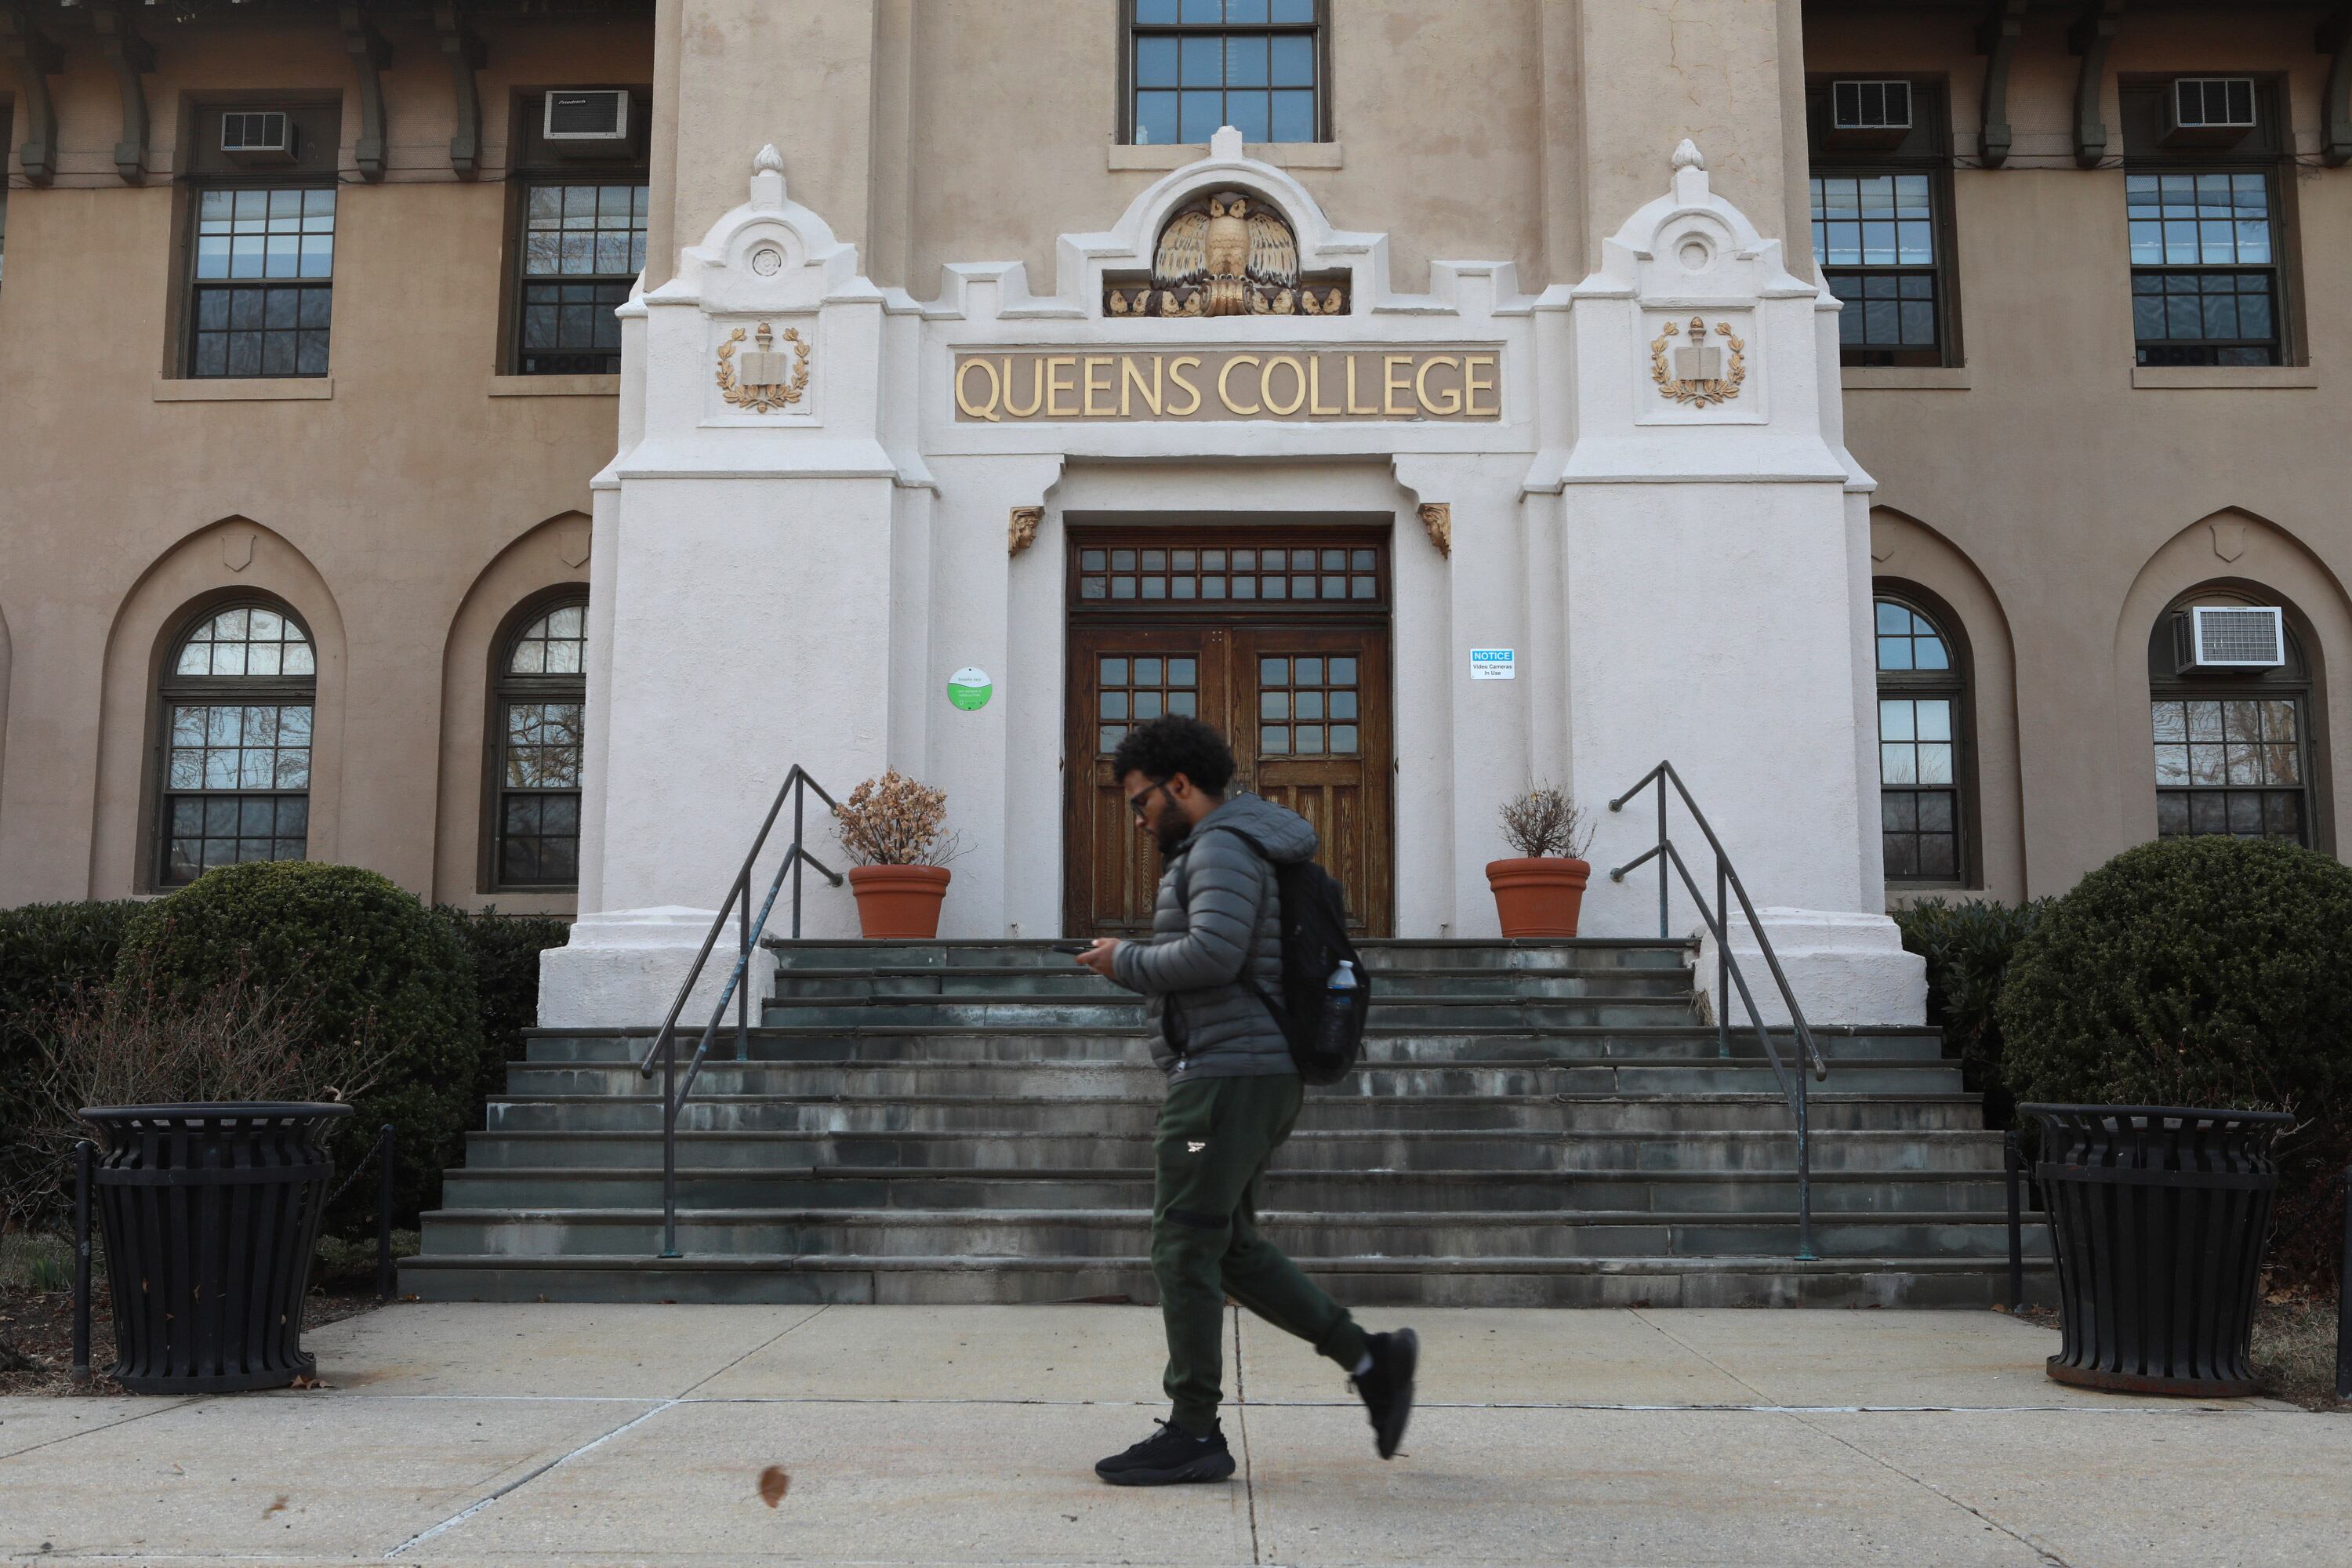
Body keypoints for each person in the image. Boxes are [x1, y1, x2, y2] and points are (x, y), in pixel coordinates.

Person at [1076, 713, 1417, 1486]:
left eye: (1141, 800)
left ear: (1182, 785)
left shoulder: (1224, 845)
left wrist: (1121, 959)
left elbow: (1215, 951)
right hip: (1239, 1076)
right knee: (1226, 1244)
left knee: (1182, 1242)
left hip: (1225, 1087)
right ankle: (1372, 1359)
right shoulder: (1232, 842)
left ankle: (1194, 1429)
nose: (1137, 819)